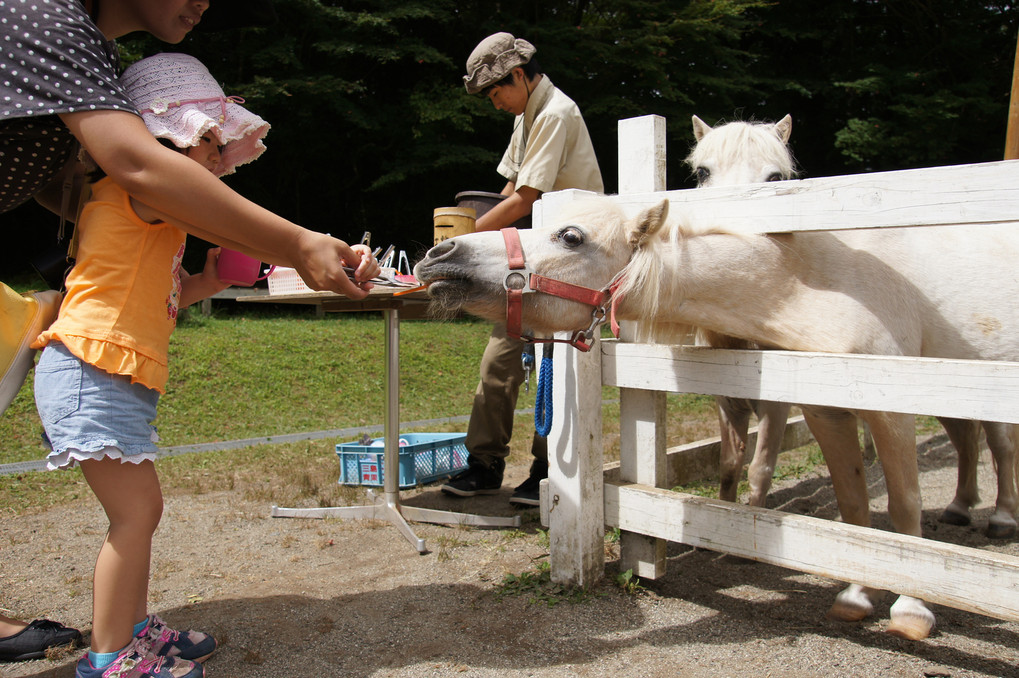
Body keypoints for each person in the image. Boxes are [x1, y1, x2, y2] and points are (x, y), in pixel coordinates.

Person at [31, 52, 378, 678]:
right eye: (208, 139)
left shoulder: (149, 208)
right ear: (163, 138)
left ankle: (133, 633)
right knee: (134, 515)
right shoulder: (140, 189)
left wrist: (211, 278)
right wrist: (310, 247)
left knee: (141, 513)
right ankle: (110, 658)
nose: (219, 157)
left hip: (106, 370)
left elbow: (165, 296)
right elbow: (236, 225)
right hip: (90, 369)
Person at [0, 0, 372, 416]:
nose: (206, 3)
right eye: (207, 138)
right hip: (99, 370)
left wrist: (132, 216)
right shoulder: (43, 15)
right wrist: (298, 244)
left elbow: (58, 182)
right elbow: (137, 165)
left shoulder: (95, 46)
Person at [441, 32, 604, 507]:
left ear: (517, 75)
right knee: (498, 361)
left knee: (555, 365)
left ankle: (544, 468)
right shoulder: (526, 115)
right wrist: (467, 238)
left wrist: (460, 241)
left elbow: (524, 199)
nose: (495, 103)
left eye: (496, 93)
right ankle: (484, 464)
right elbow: (508, 188)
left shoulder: (555, 112)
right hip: (532, 254)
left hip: (574, 261)